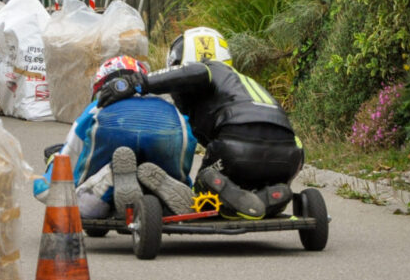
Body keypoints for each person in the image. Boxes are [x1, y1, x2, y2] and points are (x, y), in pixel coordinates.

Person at [97, 27, 305, 220]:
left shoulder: (208, 69)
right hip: (289, 157)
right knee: (248, 197)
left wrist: (136, 83)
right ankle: (269, 195)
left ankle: (211, 189)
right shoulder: (246, 84)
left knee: (203, 194)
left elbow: (195, 72)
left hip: (236, 148)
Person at [33, 55, 198, 218]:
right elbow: (189, 142)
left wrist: (52, 165)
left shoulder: (96, 107)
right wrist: (185, 181)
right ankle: (170, 187)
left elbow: (70, 156)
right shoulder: (169, 107)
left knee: (68, 197)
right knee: (173, 173)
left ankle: (110, 177)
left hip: (111, 126)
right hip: (171, 126)